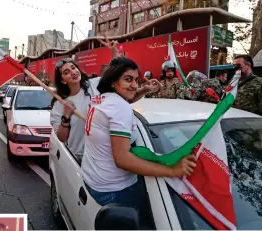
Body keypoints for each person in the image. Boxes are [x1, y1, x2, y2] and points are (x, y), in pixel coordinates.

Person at [82, 57, 196, 212]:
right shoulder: (119, 107)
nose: (134, 85)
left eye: (136, 80)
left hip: (95, 180)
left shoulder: (102, 99)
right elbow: (122, 160)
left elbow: (124, 100)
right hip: (114, 191)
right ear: (113, 81)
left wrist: (144, 89)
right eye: (128, 79)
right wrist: (172, 171)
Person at [50, 37, 162, 161]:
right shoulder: (59, 104)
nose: (73, 72)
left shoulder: (95, 84)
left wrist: (115, 52)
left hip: (105, 156)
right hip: (79, 158)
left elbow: (122, 90)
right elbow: (61, 137)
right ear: (62, 80)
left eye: (73, 67)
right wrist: (66, 117)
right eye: (66, 72)